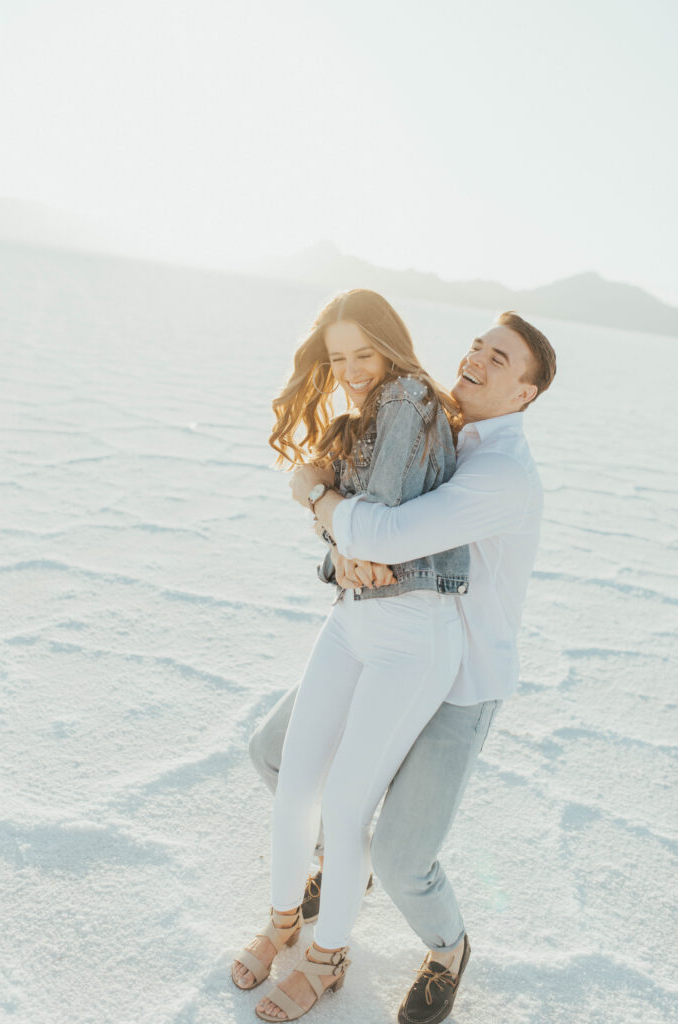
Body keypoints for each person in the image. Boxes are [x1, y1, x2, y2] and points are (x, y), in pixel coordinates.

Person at [249, 311, 557, 1023]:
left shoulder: (503, 473)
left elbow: (386, 530)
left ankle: (447, 948)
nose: (477, 357)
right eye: (477, 345)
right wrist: (333, 536)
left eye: (500, 358)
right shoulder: (437, 426)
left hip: (458, 681)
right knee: (273, 756)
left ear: (524, 395)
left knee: (401, 857)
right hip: (379, 635)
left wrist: (315, 495)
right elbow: (361, 535)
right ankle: (339, 866)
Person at [231, 289, 472, 1022]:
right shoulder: (356, 416)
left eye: (363, 353)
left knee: (342, 805)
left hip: (412, 634)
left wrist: (325, 512)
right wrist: (335, 533)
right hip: (352, 620)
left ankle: (328, 957)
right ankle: (281, 925)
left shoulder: (408, 397)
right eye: (338, 359)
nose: (352, 370)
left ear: (390, 348)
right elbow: (346, 524)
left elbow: (377, 518)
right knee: (296, 784)